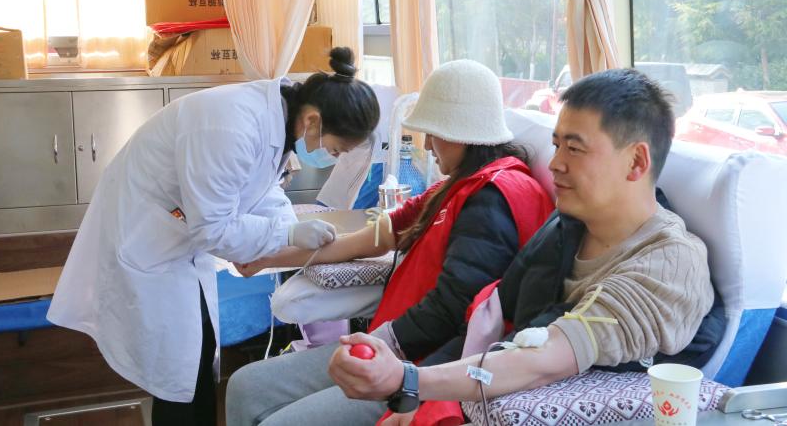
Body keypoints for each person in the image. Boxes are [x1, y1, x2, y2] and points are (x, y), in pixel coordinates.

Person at [328, 69, 724, 426]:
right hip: (468, 383)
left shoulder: (668, 265)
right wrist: (415, 389)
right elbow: (493, 320)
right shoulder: (565, 227)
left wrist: (411, 381)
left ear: (636, 161)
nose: (555, 164)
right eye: (556, 146)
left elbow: (543, 359)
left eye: (574, 148)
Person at [47, 47, 380, 426]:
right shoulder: (231, 125)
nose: (331, 158)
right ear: (313, 121)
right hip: (148, 236)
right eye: (335, 149)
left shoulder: (277, 121)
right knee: (178, 369)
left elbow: (260, 186)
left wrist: (287, 226)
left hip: (179, 236)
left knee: (197, 356)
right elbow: (213, 229)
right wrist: (288, 232)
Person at [225, 60, 554, 426]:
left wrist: (385, 345)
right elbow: (370, 240)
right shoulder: (452, 189)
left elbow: (452, 308)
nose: (427, 145)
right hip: (390, 346)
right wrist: (267, 258)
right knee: (246, 386)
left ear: (459, 133)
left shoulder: (492, 200)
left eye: (433, 133)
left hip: (424, 363)